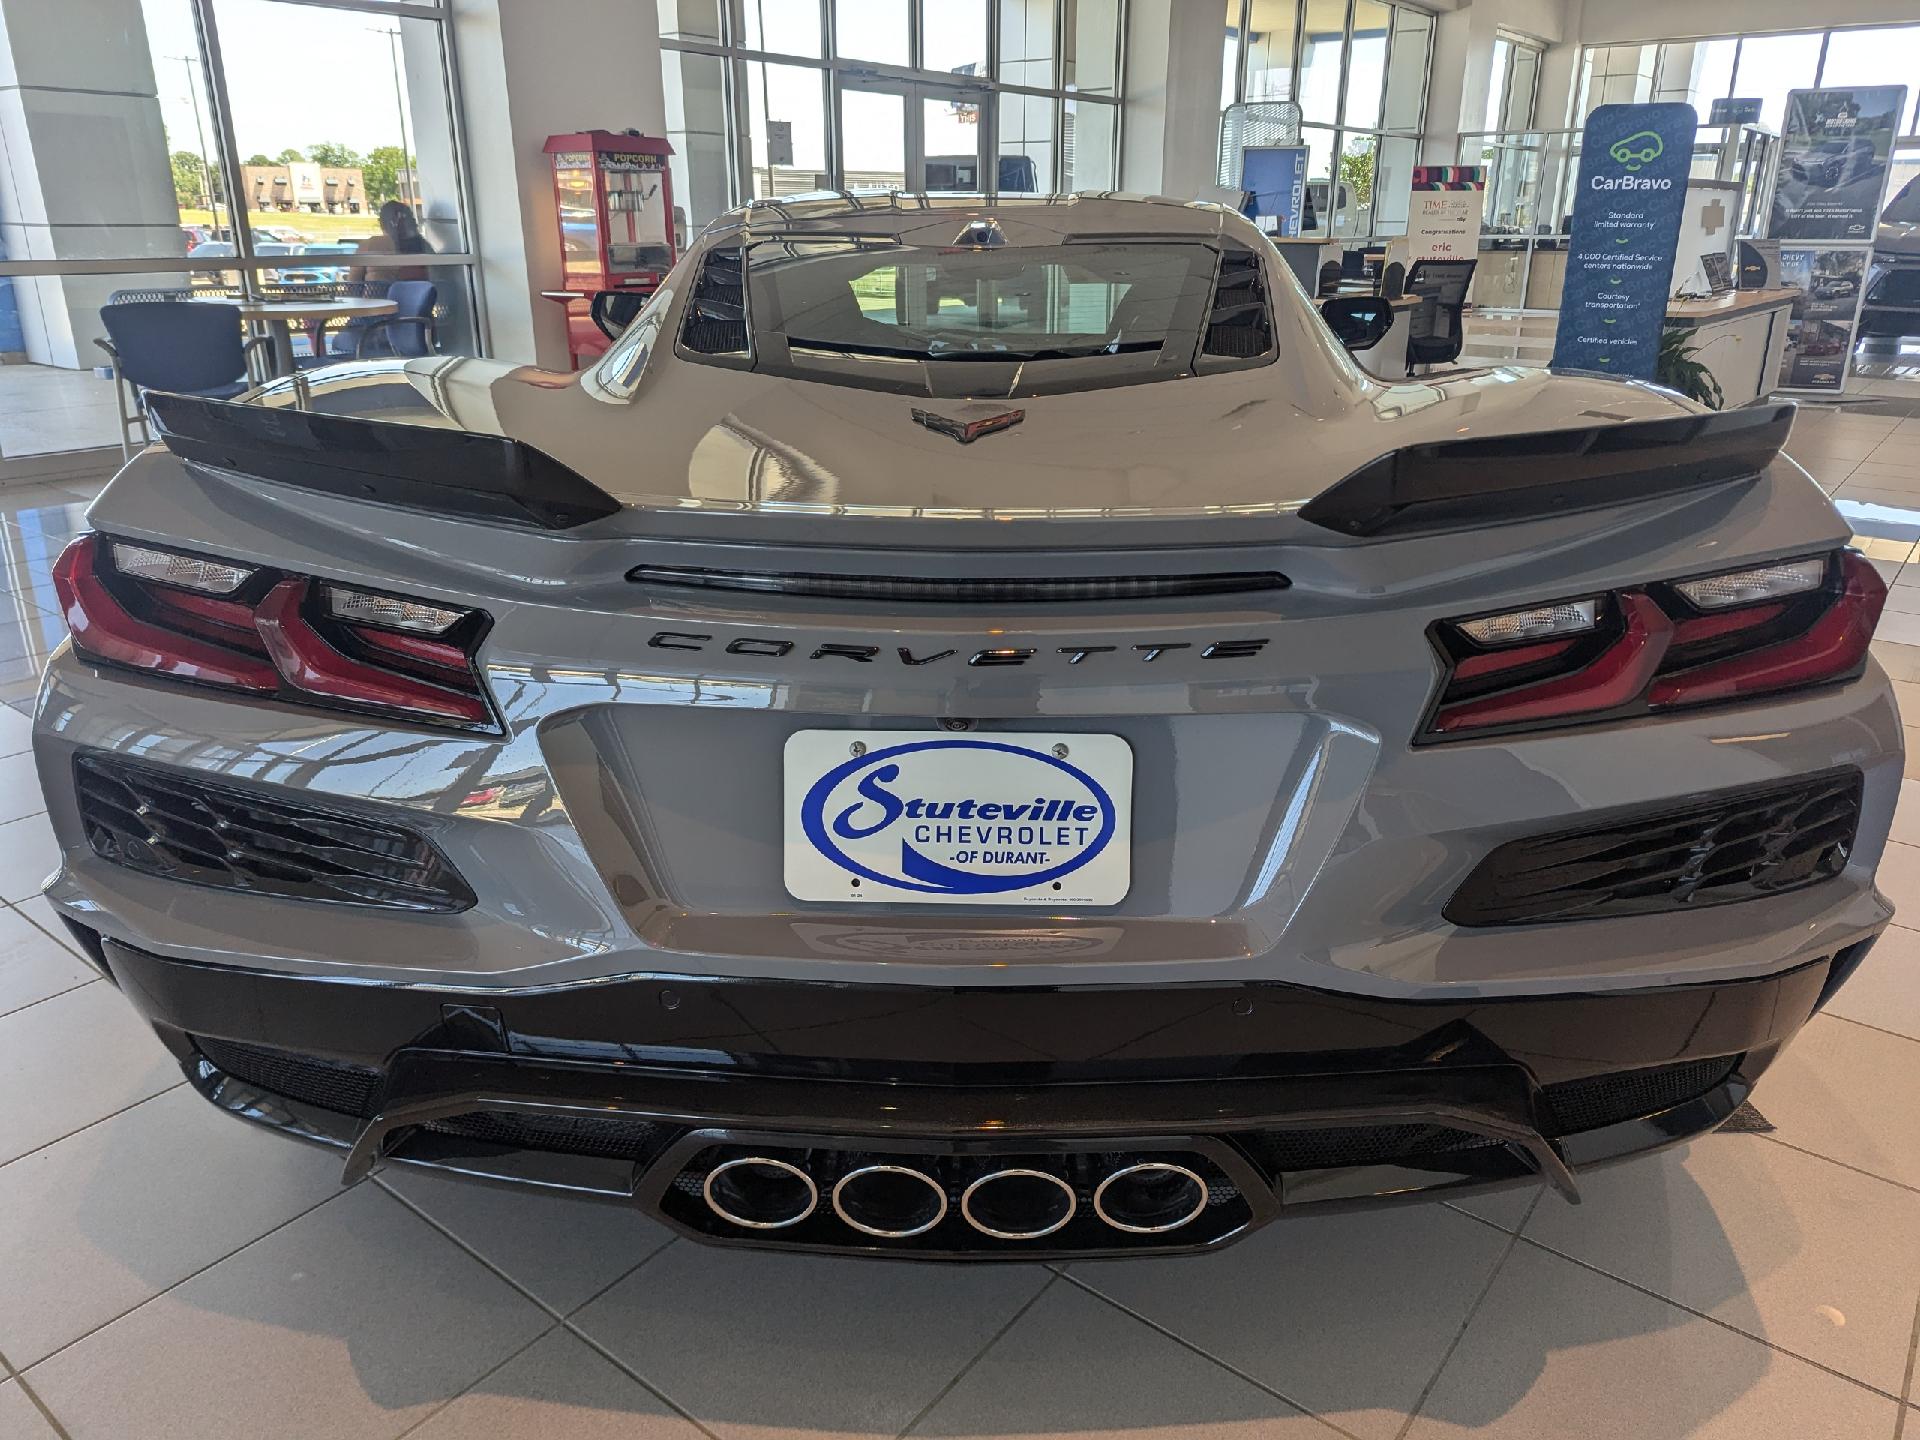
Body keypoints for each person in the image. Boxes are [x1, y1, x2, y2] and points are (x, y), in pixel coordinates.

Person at [347, 200, 433, 285]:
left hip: (377, 297)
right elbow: (437, 278)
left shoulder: (369, 245)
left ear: (382, 224)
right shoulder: (423, 246)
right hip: (417, 298)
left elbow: (353, 284)